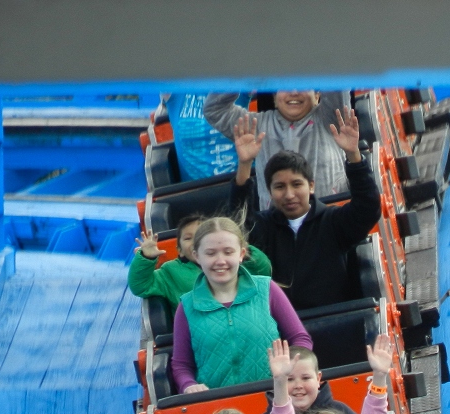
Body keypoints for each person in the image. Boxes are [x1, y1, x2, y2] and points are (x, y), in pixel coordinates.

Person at [231, 107, 381, 310]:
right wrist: (245, 164)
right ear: (269, 191)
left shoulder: (333, 221)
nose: (289, 194)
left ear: (311, 186)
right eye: (280, 187)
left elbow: (368, 207)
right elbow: (238, 225)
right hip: (281, 332)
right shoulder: (264, 227)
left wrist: (353, 154)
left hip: (333, 321)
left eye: (296, 184)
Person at [170, 217, 313, 393]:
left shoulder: (267, 289)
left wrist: (291, 371)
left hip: (274, 398)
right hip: (218, 409)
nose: (220, 261)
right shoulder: (186, 306)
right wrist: (189, 385)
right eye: (210, 253)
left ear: (241, 254)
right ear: (196, 255)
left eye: (228, 252)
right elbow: (181, 364)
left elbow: (300, 338)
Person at [203, 90, 350, 210]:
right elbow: (214, 109)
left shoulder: (331, 118)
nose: (293, 92)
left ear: (317, 95)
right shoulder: (256, 126)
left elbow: (338, 77)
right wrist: (244, 73)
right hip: (276, 231)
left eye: (302, 85)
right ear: (274, 97)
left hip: (330, 224)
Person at [128, 213, 273, 307]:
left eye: (200, 236)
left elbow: (264, 270)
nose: (195, 241)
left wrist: (247, 252)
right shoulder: (169, 272)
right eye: (188, 238)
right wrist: (146, 257)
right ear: (179, 250)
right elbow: (141, 286)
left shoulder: (231, 263)